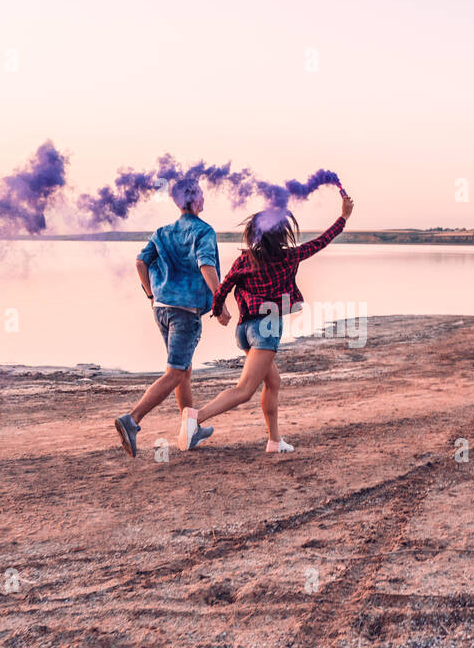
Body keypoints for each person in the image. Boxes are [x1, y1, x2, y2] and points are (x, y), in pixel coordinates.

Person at [180, 189, 354, 453]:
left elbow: (223, 287)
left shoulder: (245, 259)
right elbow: (322, 241)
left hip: (244, 330)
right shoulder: (290, 256)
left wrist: (219, 310)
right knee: (245, 390)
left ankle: (274, 441)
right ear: (281, 235)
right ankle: (196, 416)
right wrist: (343, 217)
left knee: (273, 382)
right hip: (266, 329)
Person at [114, 179, 230, 457]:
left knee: (184, 370)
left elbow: (140, 262)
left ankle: (189, 431)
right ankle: (132, 420)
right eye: (202, 194)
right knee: (176, 372)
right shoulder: (204, 231)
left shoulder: (163, 232)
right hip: (185, 311)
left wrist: (150, 294)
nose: (204, 198)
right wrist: (220, 300)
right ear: (195, 201)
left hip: (161, 308)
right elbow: (205, 264)